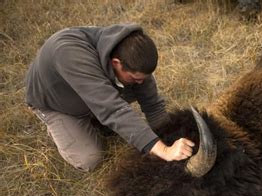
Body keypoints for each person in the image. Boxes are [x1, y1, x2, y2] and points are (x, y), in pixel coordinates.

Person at [25, 24, 194, 171]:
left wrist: (169, 137)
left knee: (126, 99)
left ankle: (96, 117)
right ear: (116, 63)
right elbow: (113, 110)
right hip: (58, 104)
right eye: (136, 78)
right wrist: (163, 151)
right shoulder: (69, 55)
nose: (141, 82)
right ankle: (60, 127)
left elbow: (153, 105)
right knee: (90, 159)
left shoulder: (131, 53)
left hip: (95, 91)